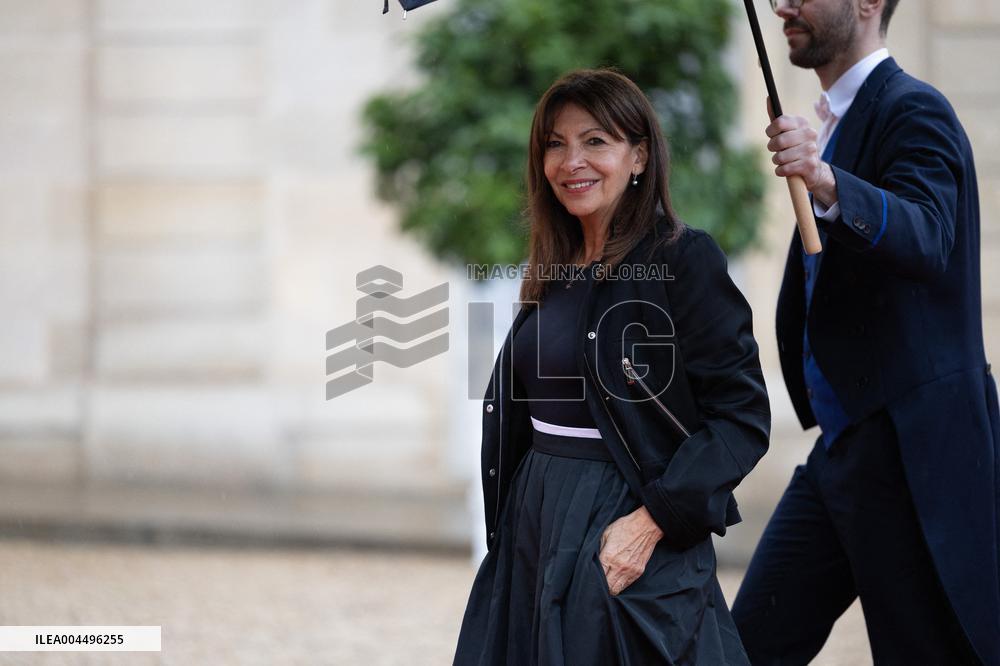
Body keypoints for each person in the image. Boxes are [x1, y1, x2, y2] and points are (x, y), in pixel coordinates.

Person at [452, 68, 771, 665]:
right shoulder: (553, 263)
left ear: (639, 156)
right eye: (555, 143)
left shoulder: (682, 258)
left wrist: (652, 522)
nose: (572, 160)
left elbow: (741, 417)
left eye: (596, 141)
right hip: (535, 521)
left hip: (624, 523)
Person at [731, 1, 1000, 664]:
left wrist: (824, 180)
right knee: (742, 647)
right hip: (844, 451)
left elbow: (928, 234)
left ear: (867, 3)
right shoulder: (834, 123)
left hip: (914, 454)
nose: (783, 5)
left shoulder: (914, 108)